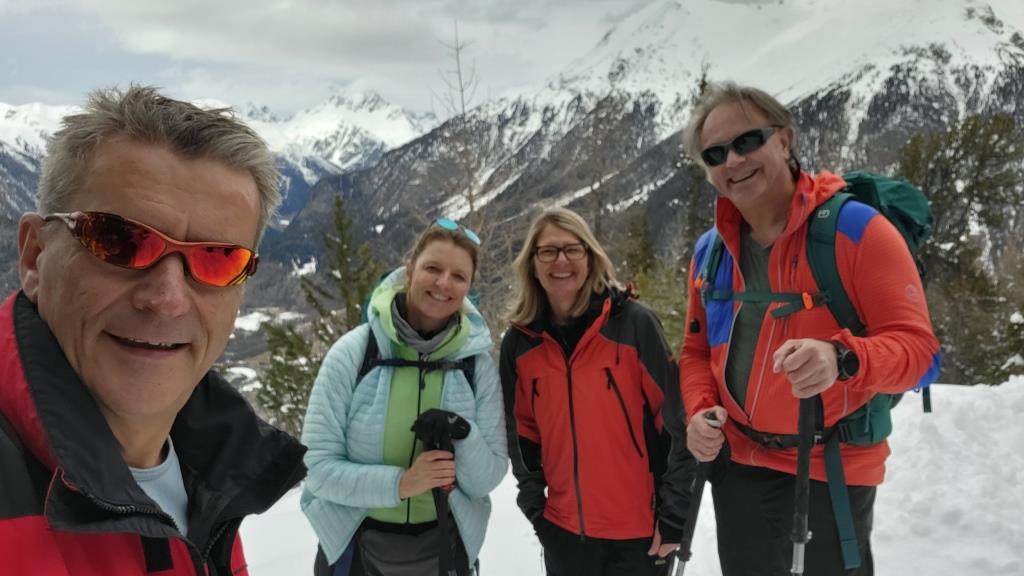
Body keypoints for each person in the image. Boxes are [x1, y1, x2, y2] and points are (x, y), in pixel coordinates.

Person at [0, 85, 307, 575]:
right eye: (120, 242)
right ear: (36, 256)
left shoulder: (213, 476)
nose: (167, 300)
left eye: (218, 259)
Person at [679, 82, 941, 576]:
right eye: (715, 154)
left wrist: (842, 358)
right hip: (739, 467)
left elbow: (921, 354)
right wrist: (697, 411)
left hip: (830, 468)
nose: (733, 160)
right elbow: (696, 353)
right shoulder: (710, 252)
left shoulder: (856, 230)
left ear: (783, 140)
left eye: (747, 141)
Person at [301, 218, 508, 576]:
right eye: (433, 268)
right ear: (409, 271)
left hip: (445, 546)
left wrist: (464, 433)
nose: (444, 283)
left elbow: (486, 479)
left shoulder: (475, 366)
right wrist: (403, 483)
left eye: (459, 276)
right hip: (356, 548)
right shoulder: (355, 353)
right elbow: (317, 469)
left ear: (468, 287)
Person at [500, 207, 692, 576]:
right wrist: (537, 512)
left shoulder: (635, 324)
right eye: (548, 251)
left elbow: (676, 423)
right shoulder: (520, 343)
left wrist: (674, 514)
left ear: (590, 257)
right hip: (565, 534)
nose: (561, 261)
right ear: (533, 264)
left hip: (640, 533)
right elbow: (520, 433)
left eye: (573, 249)